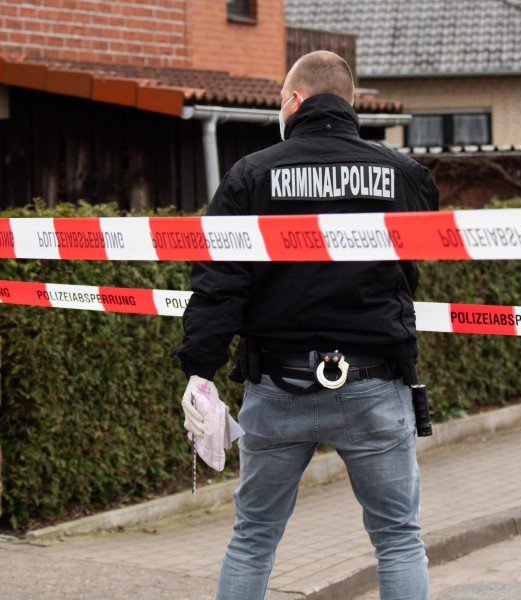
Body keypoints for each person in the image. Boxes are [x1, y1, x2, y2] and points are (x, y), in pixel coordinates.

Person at [176, 50, 439, 600]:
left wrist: (200, 370)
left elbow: (219, 281)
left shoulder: (251, 174)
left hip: (277, 387)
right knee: (397, 540)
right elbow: (409, 273)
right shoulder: (403, 175)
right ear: (347, 104)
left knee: (252, 538)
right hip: (373, 384)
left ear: (295, 101)